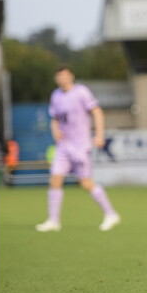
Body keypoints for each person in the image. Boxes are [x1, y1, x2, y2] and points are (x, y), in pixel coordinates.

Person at [35, 64, 121, 232]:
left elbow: (97, 112)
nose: (62, 79)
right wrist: (55, 131)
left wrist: (99, 135)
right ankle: (53, 221)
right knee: (55, 180)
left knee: (85, 183)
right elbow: (54, 117)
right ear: (56, 79)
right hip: (63, 146)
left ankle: (111, 214)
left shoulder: (81, 92)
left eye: (65, 75)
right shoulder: (55, 95)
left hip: (80, 146)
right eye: (59, 76)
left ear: (71, 76)